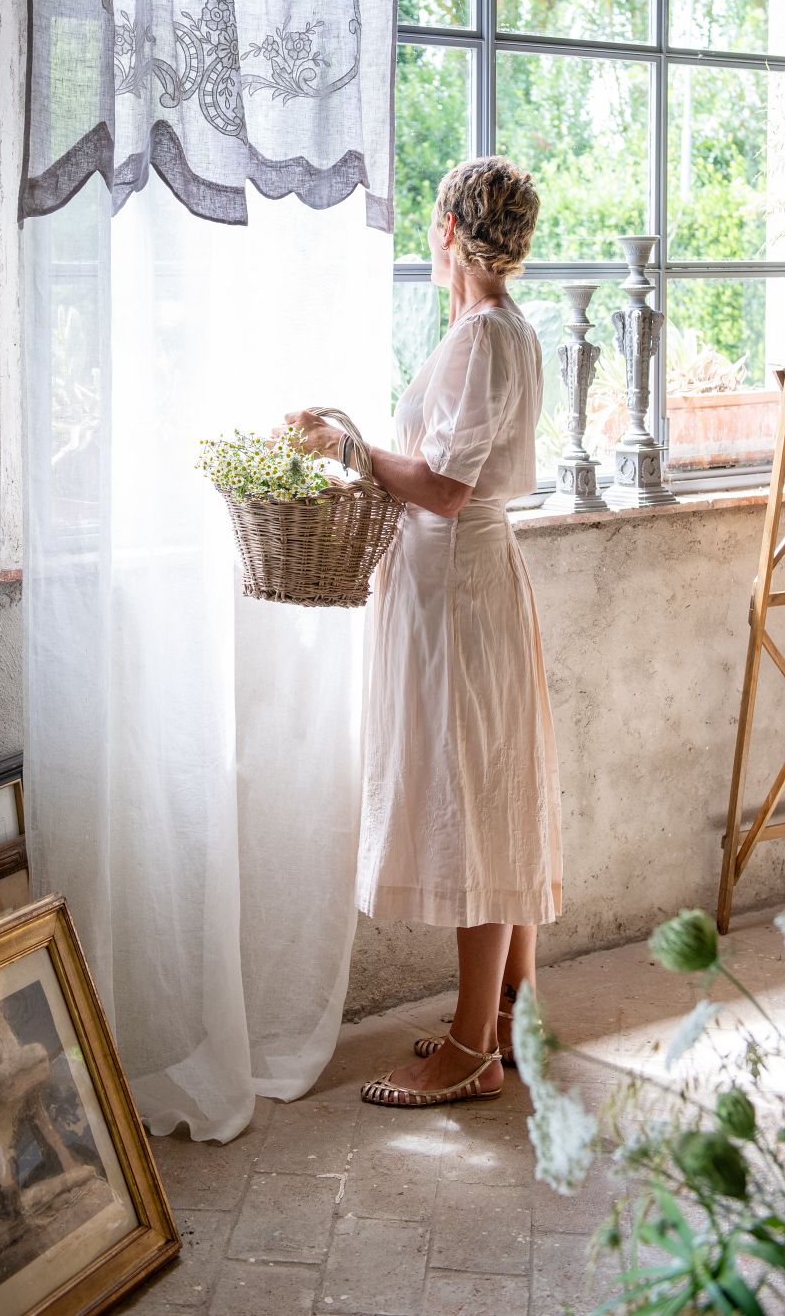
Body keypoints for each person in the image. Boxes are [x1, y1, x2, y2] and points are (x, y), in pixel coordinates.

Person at [286, 155, 562, 1108]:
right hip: (468, 583)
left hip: (460, 592)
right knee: (495, 789)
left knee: (470, 806)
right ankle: (515, 1017)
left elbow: (445, 487)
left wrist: (350, 449)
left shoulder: (483, 337)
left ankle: (470, 1049)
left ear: (450, 229)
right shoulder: (501, 331)